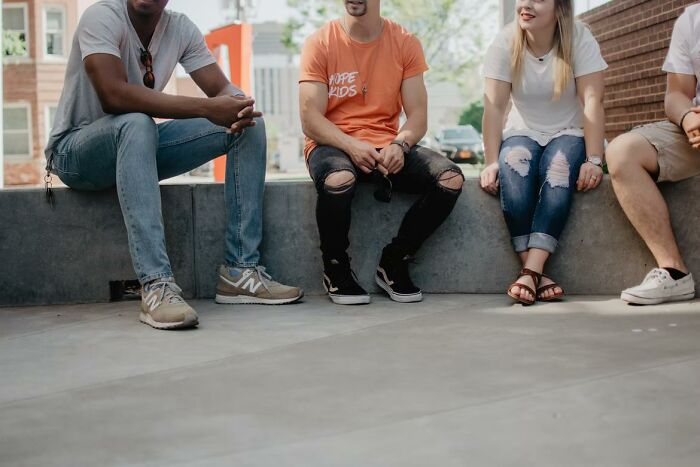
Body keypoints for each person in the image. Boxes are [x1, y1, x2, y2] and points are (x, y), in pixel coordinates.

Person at [45, 0, 302, 330]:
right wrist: (206, 108)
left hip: (137, 146)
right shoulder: (102, 16)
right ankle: (156, 285)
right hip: (75, 153)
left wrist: (237, 105)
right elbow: (113, 96)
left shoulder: (179, 28)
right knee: (137, 122)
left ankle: (240, 270)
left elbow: (220, 88)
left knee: (248, 126)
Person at [298, 0, 464, 305]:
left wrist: (401, 144)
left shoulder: (405, 42)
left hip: (387, 145)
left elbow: (417, 116)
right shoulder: (319, 43)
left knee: (450, 179)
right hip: (332, 145)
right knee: (338, 179)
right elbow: (310, 120)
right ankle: (335, 269)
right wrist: (350, 144)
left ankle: (395, 260)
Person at [480, 0, 607, 305]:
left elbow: (593, 101)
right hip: (522, 131)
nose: (525, 4)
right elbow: (494, 107)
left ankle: (529, 271)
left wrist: (593, 159)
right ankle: (535, 273)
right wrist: (491, 161)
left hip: (570, 132)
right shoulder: (506, 41)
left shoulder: (578, 38)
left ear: (559, 6)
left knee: (558, 171)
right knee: (513, 171)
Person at [604, 5, 699, 305]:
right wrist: (687, 118)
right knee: (622, 151)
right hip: (696, 134)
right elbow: (676, 94)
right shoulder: (692, 20)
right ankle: (674, 273)